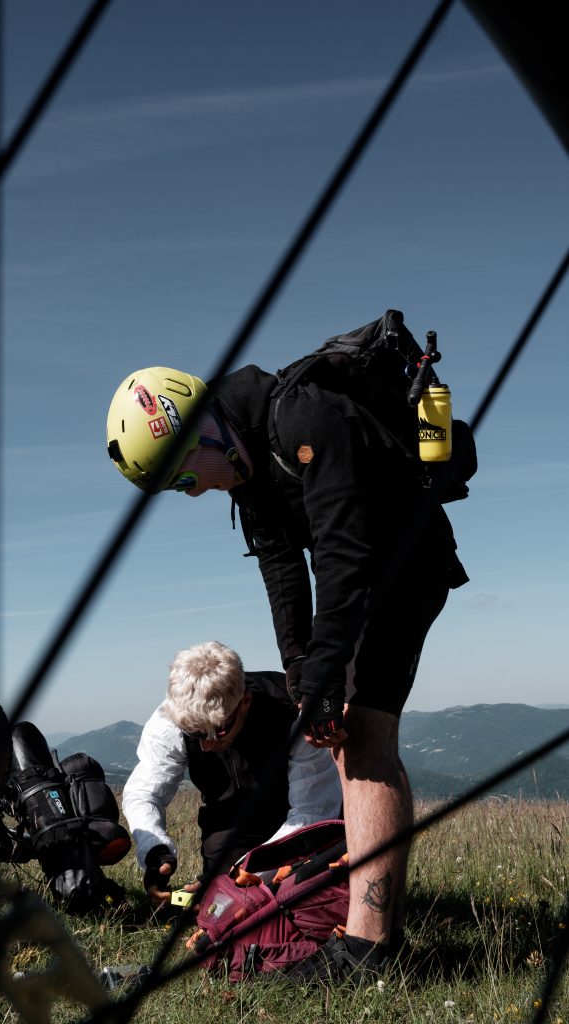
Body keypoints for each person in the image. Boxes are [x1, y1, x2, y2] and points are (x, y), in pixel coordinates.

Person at [107, 355, 468, 981]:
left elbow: (342, 554)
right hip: (361, 582)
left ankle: (368, 950)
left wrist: (325, 680)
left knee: (364, 738)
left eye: (184, 478)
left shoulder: (307, 419)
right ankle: (369, 925)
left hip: (406, 568)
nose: (192, 493)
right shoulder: (249, 470)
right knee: (350, 742)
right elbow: (281, 570)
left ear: (202, 433)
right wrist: (301, 669)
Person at [122, 641, 341, 907]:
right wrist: (154, 851)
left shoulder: (293, 711)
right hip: (228, 820)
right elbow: (144, 793)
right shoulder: (172, 718)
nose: (206, 745)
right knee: (220, 899)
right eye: (195, 734)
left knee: (300, 891)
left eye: (217, 732)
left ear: (245, 701)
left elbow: (313, 809)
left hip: (293, 811)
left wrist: (252, 871)